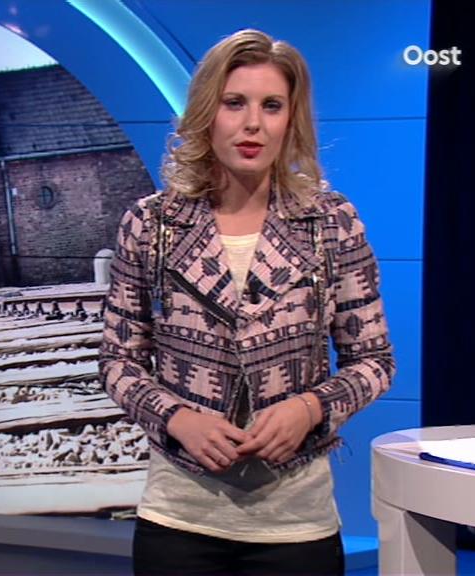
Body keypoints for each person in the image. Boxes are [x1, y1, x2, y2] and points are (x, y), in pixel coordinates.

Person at [99, 29, 394, 576]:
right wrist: (176, 418)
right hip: (180, 520)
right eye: (234, 103)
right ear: (206, 113)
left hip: (295, 525)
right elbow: (119, 361)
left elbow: (374, 362)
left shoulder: (331, 223)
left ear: (291, 118)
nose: (253, 123)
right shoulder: (151, 224)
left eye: (271, 105)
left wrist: (311, 408)